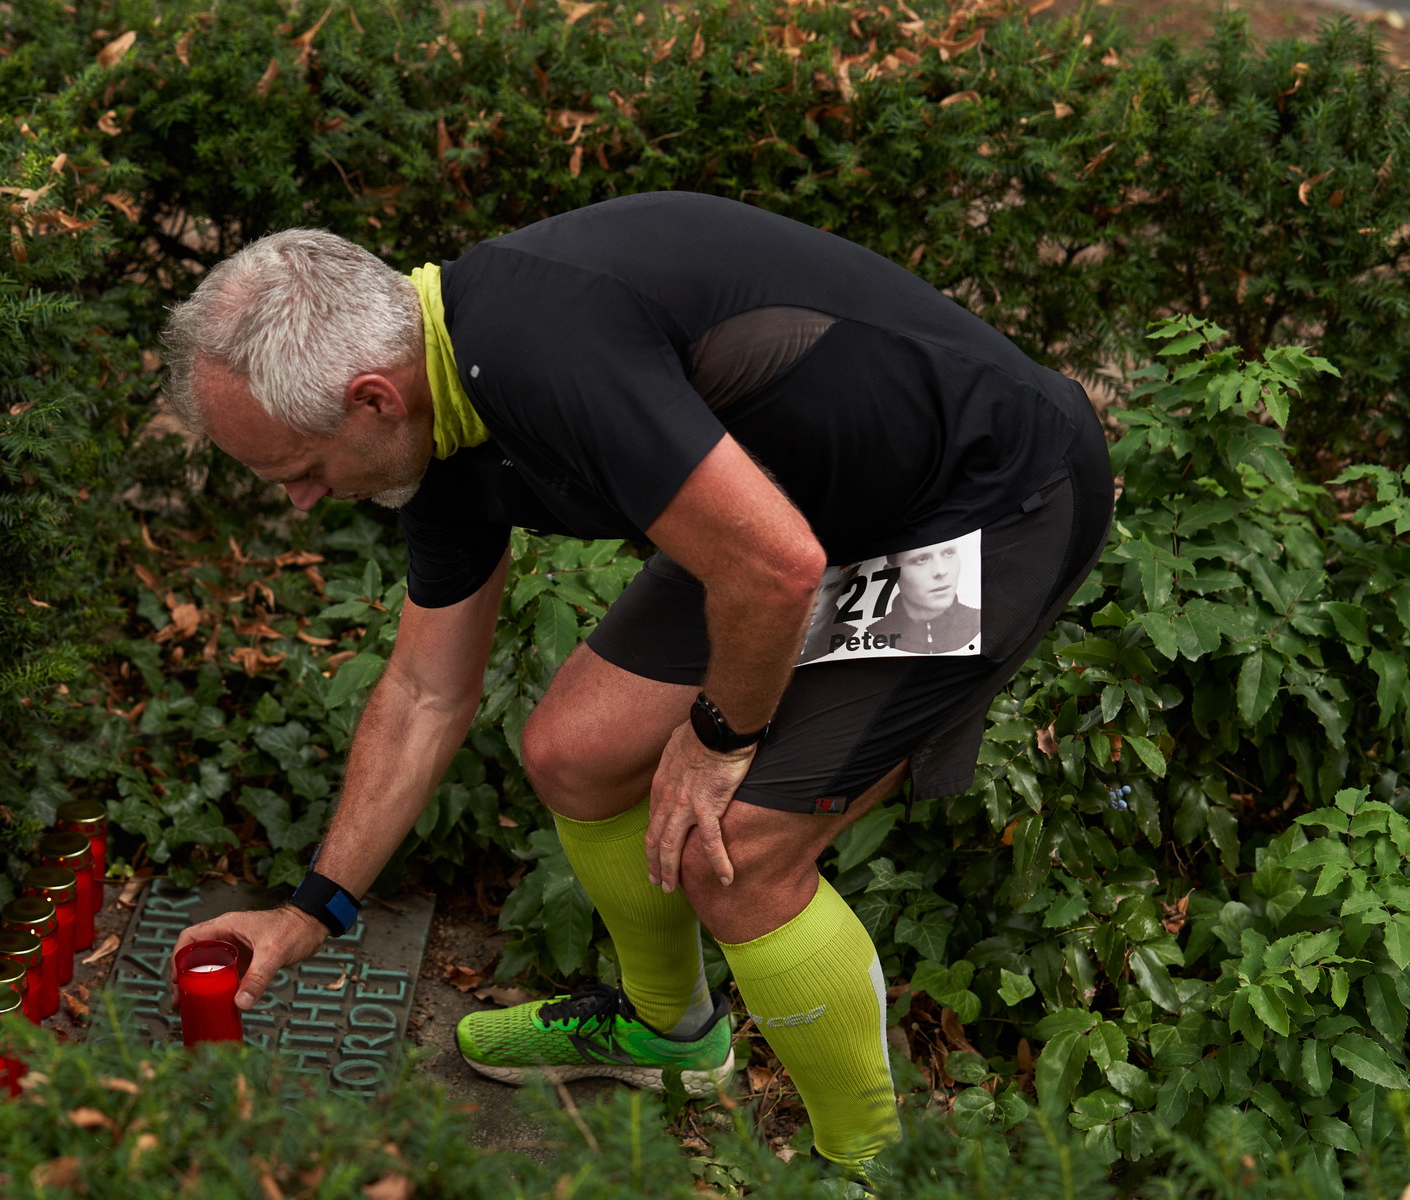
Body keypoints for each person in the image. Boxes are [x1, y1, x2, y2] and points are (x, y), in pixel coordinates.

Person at [162, 192, 1113, 1176]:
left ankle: (869, 1169)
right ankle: (671, 1035)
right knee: (572, 752)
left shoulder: (546, 349)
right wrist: (311, 910)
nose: (304, 501)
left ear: (372, 400)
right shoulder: (435, 424)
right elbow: (423, 693)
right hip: (796, 514)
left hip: (989, 501)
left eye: (299, 469)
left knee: (736, 852)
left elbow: (774, 570)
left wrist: (719, 736)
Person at [864, 538, 982, 655]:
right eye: (922, 559)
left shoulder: (982, 623)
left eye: (949, 553)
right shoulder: (873, 634)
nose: (941, 571)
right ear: (892, 574)